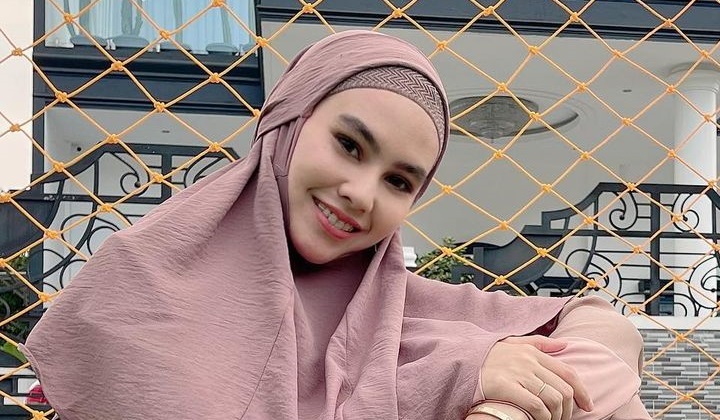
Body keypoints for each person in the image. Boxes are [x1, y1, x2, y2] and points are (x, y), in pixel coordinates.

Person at [20, 30, 650, 420]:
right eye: (349, 146)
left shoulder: (400, 309)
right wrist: (449, 380)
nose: (360, 194)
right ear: (287, 124)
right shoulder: (138, 284)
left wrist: (502, 407)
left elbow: (604, 328)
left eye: (399, 182)